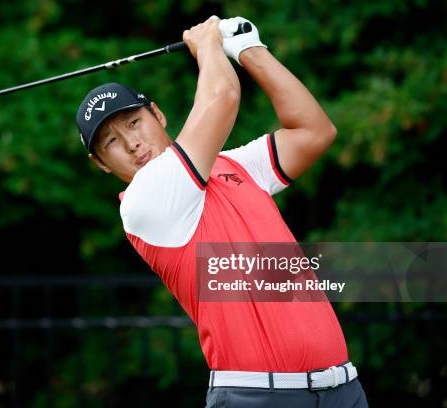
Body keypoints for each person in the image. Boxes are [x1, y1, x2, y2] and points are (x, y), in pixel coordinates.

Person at [75, 15, 368, 408]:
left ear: (157, 115)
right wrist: (208, 43)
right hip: (256, 396)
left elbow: (314, 132)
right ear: (102, 164)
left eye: (134, 122)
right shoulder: (145, 200)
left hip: (343, 389)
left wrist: (250, 50)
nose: (131, 143)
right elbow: (223, 96)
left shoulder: (232, 164)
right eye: (111, 140)